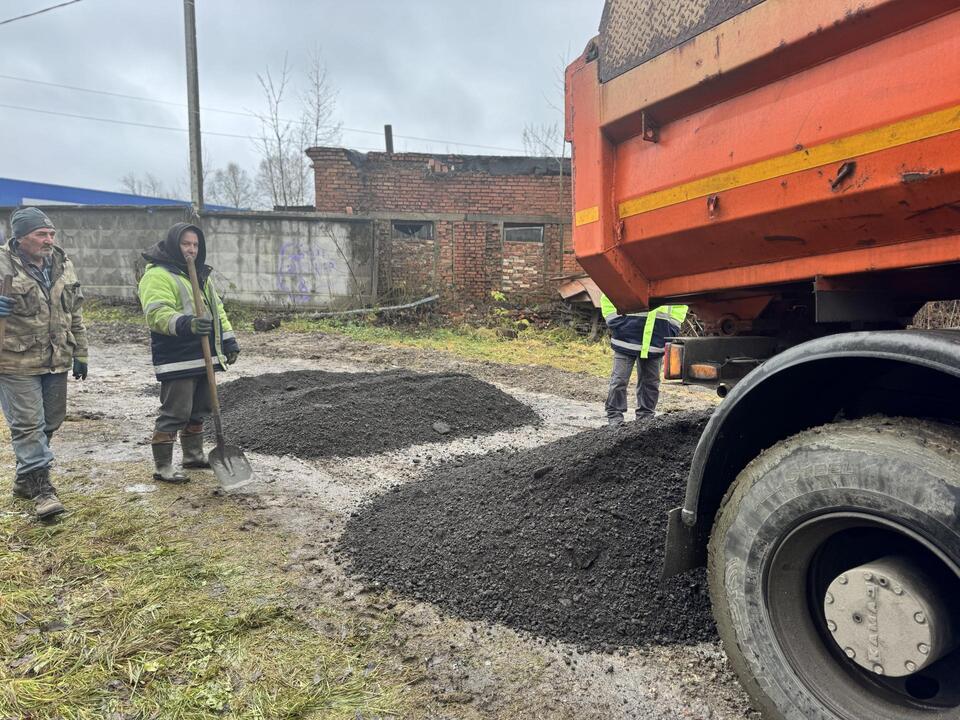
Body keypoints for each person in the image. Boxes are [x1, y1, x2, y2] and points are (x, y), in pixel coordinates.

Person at [0, 208, 87, 519]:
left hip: (56, 358)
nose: (49, 239)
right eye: (41, 234)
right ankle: (42, 490)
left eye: (51, 234)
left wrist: (81, 352)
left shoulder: (63, 264)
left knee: (51, 420)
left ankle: (25, 479)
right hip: (14, 360)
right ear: (21, 238)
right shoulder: (2, 264)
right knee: (28, 426)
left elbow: (74, 311)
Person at [138, 222, 239, 483]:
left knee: (200, 408)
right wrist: (187, 324)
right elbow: (156, 313)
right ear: (174, 245)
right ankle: (163, 466)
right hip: (177, 357)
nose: (191, 249)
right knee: (176, 411)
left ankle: (193, 455)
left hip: (204, 355)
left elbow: (217, 310)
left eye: (195, 245)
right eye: (186, 244)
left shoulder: (202, 275)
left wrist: (228, 340)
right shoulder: (158, 275)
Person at [600, 292, 687, 426]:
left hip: (656, 338)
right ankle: (615, 417)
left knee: (651, 383)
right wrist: (615, 321)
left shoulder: (670, 282)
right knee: (619, 380)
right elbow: (608, 294)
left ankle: (645, 420)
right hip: (626, 337)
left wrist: (673, 326)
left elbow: (680, 303)